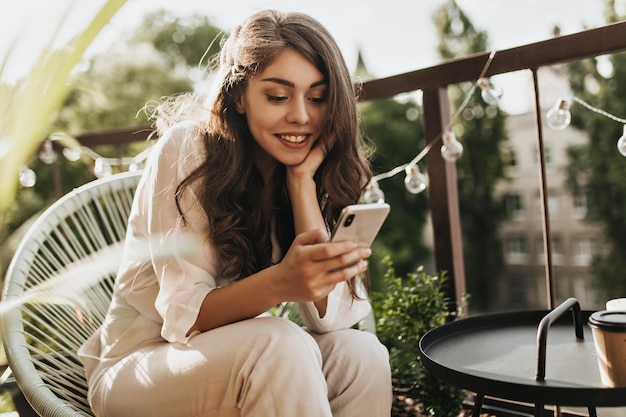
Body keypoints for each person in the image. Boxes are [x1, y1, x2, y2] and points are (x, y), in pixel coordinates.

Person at [78, 9, 392, 417]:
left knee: (360, 353)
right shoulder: (189, 149)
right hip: (139, 368)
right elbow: (183, 318)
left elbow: (328, 320)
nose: (301, 115)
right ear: (239, 95)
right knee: (278, 343)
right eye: (278, 96)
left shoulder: (304, 170)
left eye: (317, 98)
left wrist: (301, 184)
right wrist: (281, 281)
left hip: (235, 357)